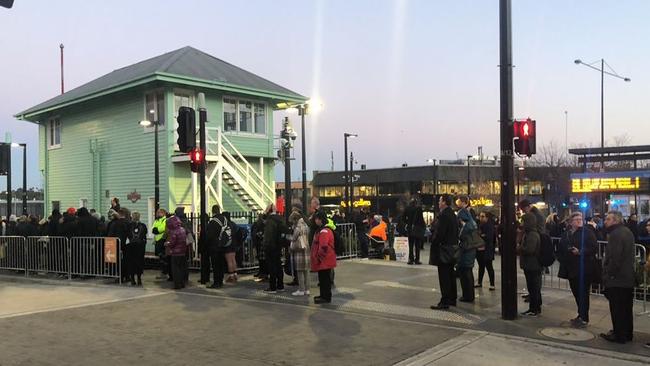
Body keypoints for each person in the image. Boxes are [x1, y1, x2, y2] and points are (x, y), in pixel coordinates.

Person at [600, 211, 635, 344]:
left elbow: (615, 258)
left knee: (617, 309)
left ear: (615, 220)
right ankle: (627, 333)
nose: (605, 222)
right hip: (627, 278)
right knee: (626, 308)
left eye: (608, 219)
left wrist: (608, 274)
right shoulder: (627, 232)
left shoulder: (616, 234)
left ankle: (619, 334)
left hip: (617, 279)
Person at [557, 211, 598, 327]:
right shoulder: (566, 233)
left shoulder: (587, 233)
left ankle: (584, 317)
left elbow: (593, 247)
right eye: (576, 219)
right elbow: (561, 247)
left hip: (584, 268)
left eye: (580, 219)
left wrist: (580, 252)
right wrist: (561, 258)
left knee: (583, 293)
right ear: (570, 222)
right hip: (571, 267)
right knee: (576, 292)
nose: (579, 221)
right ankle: (580, 314)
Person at [430, 194, 459, 310]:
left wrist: (434, 241)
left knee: (444, 275)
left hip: (444, 249)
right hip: (452, 248)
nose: (438, 203)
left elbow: (440, 233)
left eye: (440, 200)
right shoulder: (452, 214)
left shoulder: (444, 215)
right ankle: (452, 298)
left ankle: (445, 300)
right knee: (451, 273)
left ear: (444, 202)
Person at [518, 211, 542, 316]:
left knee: (534, 288)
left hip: (533, 265)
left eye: (523, 221)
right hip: (530, 265)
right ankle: (534, 308)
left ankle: (534, 309)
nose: (521, 223)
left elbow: (529, 249)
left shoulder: (532, 234)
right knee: (532, 288)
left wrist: (519, 248)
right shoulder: (528, 233)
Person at [311, 210, 337, 304]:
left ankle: (325, 297)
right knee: (323, 279)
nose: (315, 221)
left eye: (316, 219)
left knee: (325, 279)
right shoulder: (324, 229)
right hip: (325, 260)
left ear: (320, 219)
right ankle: (323, 295)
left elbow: (324, 246)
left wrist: (319, 257)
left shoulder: (324, 231)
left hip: (324, 260)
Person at [263, 203, 288, 293]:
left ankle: (272, 287)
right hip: (278, 246)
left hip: (270, 247)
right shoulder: (280, 219)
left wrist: (266, 246)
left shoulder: (270, 220)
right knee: (278, 265)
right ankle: (280, 286)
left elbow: (268, 235)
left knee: (271, 267)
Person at [456, 196, 477, 303]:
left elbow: (463, 235)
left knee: (466, 273)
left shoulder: (467, 226)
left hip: (466, 250)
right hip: (470, 250)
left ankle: (468, 295)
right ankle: (469, 295)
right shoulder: (472, 223)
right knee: (467, 272)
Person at [289, 207, 311, 296]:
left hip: (299, 252)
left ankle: (301, 290)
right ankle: (307, 289)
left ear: (295, 219)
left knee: (300, 271)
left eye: (292, 220)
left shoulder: (298, 228)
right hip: (306, 250)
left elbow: (294, 238)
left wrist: (286, 237)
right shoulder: (306, 225)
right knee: (307, 271)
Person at [205, 204, 227, 288]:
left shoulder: (213, 221)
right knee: (221, 264)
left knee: (215, 265)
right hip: (223, 244)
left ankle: (216, 282)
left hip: (214, 246)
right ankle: (220, 281)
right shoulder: (224, 219)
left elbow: (209, 235)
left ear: (213, 211)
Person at [165, 216, 188, 290]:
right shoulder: (182, 229)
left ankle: (177, 284)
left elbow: (172, 243)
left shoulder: (173, 232)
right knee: (181, 269)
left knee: (175, 270)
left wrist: (167, 243)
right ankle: (182, 283)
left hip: (175, 253)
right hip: (183, 252)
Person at [108, 208, 130, 283]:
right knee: (126, 260)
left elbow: (110, 234)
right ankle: (127, 276)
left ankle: (119, 276)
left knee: (118, 261)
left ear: (119, 214)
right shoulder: (128, 222)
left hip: (117, 244)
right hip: (127, 245)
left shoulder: (115, 223)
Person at [476, 211, 496, 291]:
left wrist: (481, 236)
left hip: (487, 249)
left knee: (489, 267)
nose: (481, 218)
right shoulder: (480, 225)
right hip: (480, 249)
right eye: (480, 216)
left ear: (487, 217)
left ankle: (492, 284)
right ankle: (479, 282)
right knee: (481, 266)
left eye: (483, 216)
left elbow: (488, 237)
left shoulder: (490, 226)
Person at [128, 211, 147, 286]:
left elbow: (127, 234)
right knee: (139, 262)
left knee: (132, 262)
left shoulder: (129, 225)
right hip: (140, 246)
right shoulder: (143, 225)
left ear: (132, 217)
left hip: (131, 246)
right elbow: (144, 234)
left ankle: (132, 279)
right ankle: (139, 279)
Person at [404, 198, 425, 265]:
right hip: (417, 229)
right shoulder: (418, 209)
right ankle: (417, 260)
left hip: (410, 229)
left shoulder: (407, 208)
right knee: (417, 245)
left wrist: (408, 223)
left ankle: (411, 259)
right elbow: (421, 219)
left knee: (410, 245)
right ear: (416, 203)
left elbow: (403, 218)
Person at [222, 211, 241, 283]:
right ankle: (235, 274)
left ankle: (231, 276)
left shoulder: (226, 225)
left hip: (228, 244)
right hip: (234, 244)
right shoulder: (234, 224)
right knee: (233, 259)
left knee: (229, 261)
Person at [152, 209, 168, 280]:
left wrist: (157, 230)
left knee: (163, 258)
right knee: (160, 258)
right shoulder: (156, 220)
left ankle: (164, 273)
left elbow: (163, 228)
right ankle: (162, 273)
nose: (157, 214)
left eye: (159, 213)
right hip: (157, 241)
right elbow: (153, 228)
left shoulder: (165, 220)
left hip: (162, 240)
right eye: (157, 212)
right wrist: (155, 230)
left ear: (163, 213)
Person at [251, 213, 268, 282]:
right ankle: (262, 272)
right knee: (262, 259)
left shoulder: (257, 224)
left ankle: (262, 273)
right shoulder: (263, 224)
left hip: (259, 243)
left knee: (261, 259)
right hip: (260, 243)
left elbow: (256, 234)